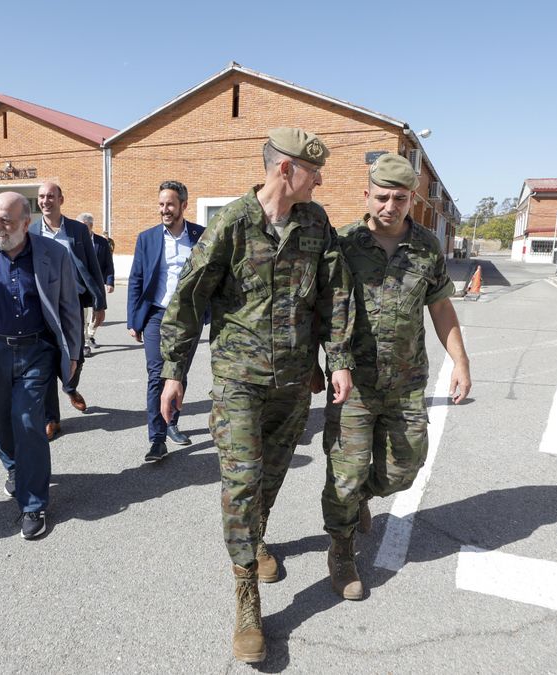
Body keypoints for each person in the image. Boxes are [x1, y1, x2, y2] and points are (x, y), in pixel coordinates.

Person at [158, 128, 355, 663]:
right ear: (285, 170)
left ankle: (257, 541)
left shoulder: (315, 223)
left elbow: (334, 294)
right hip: (240, 381)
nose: (321, 179)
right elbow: (187, 299)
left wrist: (335, 359)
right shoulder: (233, 223)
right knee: (243, 483)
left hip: (293, 384)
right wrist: (174, 373)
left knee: (270, 475)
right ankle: (247, 596)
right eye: (314, 170)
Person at [320, 154, 471, 600]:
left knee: (404, 469)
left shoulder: (426, 246)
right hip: (353, 385)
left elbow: (441, 305)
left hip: (406, 383)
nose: (390, 206)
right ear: (365, 195)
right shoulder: (343, 242)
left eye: (400, 198)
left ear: (413, 200)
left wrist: (460, 361)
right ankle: (342, 548)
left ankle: (363, 497)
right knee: (344, 476)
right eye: (382, 196)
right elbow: (320, 309)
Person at [0, 192, 81, 540]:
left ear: (26, 223)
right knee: (0, 421)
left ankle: (33, 503)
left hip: (37, 350)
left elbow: (70, 307)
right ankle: (14, 468)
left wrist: (73, 354)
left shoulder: (53, 254)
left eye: (6, 220)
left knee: (27, 421)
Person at [126, 180, 204, 462]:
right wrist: (134, 319)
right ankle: (157, 439)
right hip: (157, 315)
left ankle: (172, 422)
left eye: (170, 204)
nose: (164, 209)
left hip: (187, 317)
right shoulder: (147, 238)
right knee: (157, 376)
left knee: (179, 372)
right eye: (161, 204)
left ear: (184, 205)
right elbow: (136, 279)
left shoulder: (200, 236)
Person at [31, 182, 105, 440]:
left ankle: (71, 387)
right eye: (41, 196)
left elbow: (92, 266)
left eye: (51, 196)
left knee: (77, 355)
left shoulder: (76, 230)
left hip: (73, 302)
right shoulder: (30, 230)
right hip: (42, 305)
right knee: (47, 360)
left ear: (61, 199)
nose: (45, 200)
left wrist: (100, 302)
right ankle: (51, 419)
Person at [76, 212, 114, 357]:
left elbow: (108, 264)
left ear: (91, 226)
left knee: (98, 314)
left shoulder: (102, 242)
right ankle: (85, 343)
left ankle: (90, 334)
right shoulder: (74, 240)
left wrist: (110, 281)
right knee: (82, 314)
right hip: (80, 284)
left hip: (96, 283)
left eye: (84, 227)